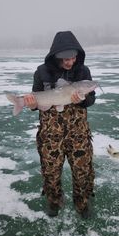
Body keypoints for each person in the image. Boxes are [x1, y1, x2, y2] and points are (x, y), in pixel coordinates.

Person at [24, 31, 96, 218]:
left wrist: (81, 100)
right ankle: (54, 201)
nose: (69, 62)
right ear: (55, 56)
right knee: (50, 171)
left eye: (73, 58)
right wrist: (31, 106)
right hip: (50, 134)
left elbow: (91, 100)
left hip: (78, 132)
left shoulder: (83, 71)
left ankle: (82, 202)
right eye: (65, 59)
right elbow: (36, 98)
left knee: (82, 170)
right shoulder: (41, 72)